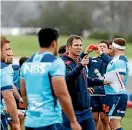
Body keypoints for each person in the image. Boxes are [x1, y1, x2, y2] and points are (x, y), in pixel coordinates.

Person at [20, 28, 81, 130]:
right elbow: (61, 94)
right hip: (49, 121)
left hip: (30, 121)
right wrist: (73, 121)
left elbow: (24, 93)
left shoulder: (27, 64)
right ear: (54, 43)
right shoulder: (55, 63)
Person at [61, 35, 110, 130]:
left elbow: (85, 80)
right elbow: (68, 78)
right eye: (76, 45)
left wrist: (102, 81)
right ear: (68, 47)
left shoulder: (79, 60)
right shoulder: (62, 63)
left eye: (80, 45)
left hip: (86, 110)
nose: (79, 47)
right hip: (72, 111)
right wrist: (80, 66)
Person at [81, 41, 112, 130]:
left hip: (105, 93)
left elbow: (110, 62)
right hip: (93, 93)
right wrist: (86, 51)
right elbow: (79, 60)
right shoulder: (92, 59)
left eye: (104, 46)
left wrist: (102, 54)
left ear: (108, 49)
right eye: (100, 46)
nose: (101, 47)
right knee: (93, 119)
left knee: (104, 119)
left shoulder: (110, 60)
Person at [104, 38, 129, 130]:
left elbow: (120, 78)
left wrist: (104, 79)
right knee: (112, 124)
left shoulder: (119, 60)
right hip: (113, 95)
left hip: (116, 95)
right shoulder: (116, 59)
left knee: (114, 124)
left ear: (114, 47)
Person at [0, 36, 20, 130]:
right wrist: (16, 121)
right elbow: (8, 97)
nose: (10, 53)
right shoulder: (4, 68)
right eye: (7, 49)